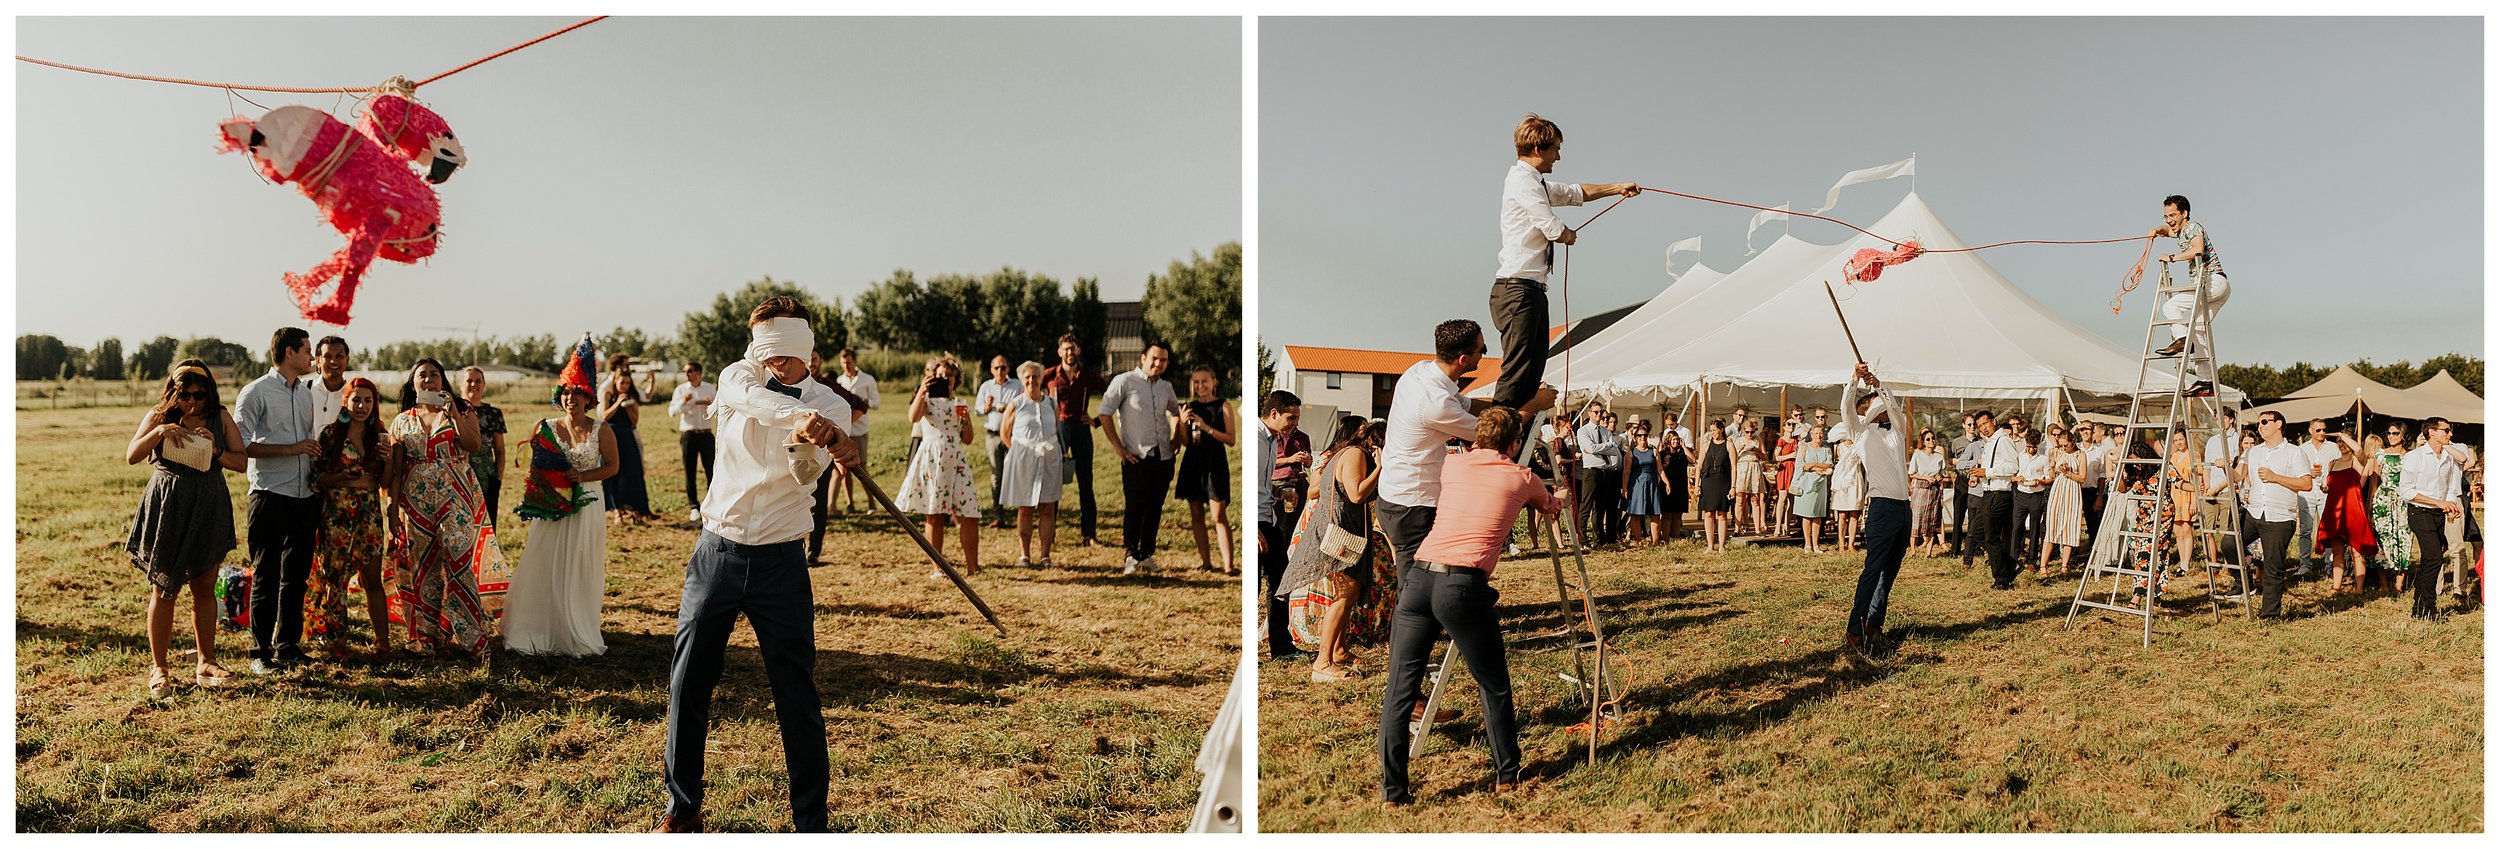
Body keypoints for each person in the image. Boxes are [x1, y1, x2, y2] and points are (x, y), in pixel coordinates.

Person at [658, 297, 860, 833]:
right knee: (688, 682)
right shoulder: (734, 379)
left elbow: (804, 473)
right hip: (716, 554)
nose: (773, 364)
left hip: (781, 564)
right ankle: (682, 811)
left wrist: (822, 440)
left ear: (808, 353)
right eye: (764, 352)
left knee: (796, 694)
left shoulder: (832, 406)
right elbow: (755, 401)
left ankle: (810, 823)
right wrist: (805, 421)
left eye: (784, 356)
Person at [1377, 406, 1562, 805]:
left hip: (1419, 579)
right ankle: (1506, 774)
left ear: (1477, 438)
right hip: (1461, 584)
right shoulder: (1522, 476)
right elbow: (1547, 505)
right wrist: (1556, 497)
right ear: (1515, 444)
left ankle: (1393, 792)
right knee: (1492, 684)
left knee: (1400, 692)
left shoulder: (1453, 466)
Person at [1490, 114, 1640, 411]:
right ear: (1537, 150)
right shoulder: (1523, 182)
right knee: (1517, 374)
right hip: (1517, 290)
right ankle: (1492, 440)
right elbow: (1551, 227)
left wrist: (1617, 187)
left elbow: (1575, 192)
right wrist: (1567, 234)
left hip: (1529, 290)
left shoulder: (1535, 182)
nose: (1558, 156)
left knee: (1531, 374)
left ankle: (1509, 441)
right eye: (1555, 149)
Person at [125, 363, 247, 697]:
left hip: (208, 504)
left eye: (199, 394)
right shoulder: (159, 415)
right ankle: (159, 668)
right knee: (164, 589)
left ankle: (206, 662)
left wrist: (216, 449)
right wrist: (159, 433)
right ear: (173, 392)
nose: (192, 402)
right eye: (185, 395)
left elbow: (242, 463)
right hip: (169, 505)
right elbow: (132, 455)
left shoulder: (220, 418)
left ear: (209, 392)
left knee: (204, 588)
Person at [503, 374, 621, 657]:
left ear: (588, 398)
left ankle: (576, 626)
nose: (572, 399)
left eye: (578, 394)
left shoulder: (601, 429)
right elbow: (538, 468)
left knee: (580, 561)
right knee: (544, 559)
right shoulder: (547, 426)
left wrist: (583, 476)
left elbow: (613, 466)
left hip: (588, 503)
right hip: (553, 503)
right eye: (566, 393)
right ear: (559, 397)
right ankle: (540, 626)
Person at [386, 358, 489, 658]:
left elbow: (474, 445)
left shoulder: (463, 410)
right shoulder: (401, 421)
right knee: (423, 569)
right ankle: (427, 639)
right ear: (413, 383)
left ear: (443, 381)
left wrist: (454, 414)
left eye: (434, 375)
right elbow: (396, 470)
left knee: (459, 563)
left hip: (456, 498)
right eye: (422, 375)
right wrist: (393, 511)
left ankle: (473, 638)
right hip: (416, 503)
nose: (429, 380)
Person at [235, 328, 322, 674]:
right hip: (269, 495)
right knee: (267, 575)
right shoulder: (255, 392)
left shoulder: (305, 394)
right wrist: (292, 449)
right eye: (307, 351)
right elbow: (242, 445)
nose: (312, 357)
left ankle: (288, 646)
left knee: (296, 577)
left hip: (304, 496)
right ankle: (260, 653)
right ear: (289, 353)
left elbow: (307, 440)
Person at [1277, 414, 1382, 682]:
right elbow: (1357, 494)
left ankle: (1339, 650)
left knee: (1348, 591)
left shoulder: (1340, 453)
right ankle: (1323, 662)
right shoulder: (1355, 454)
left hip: (1340, 527)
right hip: (1343, 530)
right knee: (1344, 594)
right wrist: (1380, 468)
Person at [307, 377, 392, 657]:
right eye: (356, 399)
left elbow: (385, 482)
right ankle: (337, 641)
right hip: (337, 517)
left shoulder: (379, 434)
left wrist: (388, 459)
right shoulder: (331, 435)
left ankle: (382, 642)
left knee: (372, 580)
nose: (362, 406)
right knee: (337, 579)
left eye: (368, 400)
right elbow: (316, 479)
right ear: (346, 402)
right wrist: (345, 477)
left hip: (369, 517)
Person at [1840, 364, 1909, 656]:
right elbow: (1846, 406)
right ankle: (1855, 629)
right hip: (1881, 507)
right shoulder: (1861, 432)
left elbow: (1894, 406)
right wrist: (1855, 379)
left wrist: (1879, 384)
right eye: (1872, 404)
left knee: (1890, 570)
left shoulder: (1898, 430)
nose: (1879, 407)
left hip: (1904, 509)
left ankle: (1874, 623)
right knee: (1873, 569)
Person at [1098, 342, 1183, 575]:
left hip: (1163, 457)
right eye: (1155, 358)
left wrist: (1176, 439)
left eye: (1163, 360)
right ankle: (1130, 555)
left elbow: (1176, 413)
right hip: (1136, 456)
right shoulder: (1124, 381)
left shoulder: (1166, 387)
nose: (1158, 364)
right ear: (1143, 357)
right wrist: (1119, 449)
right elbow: (1104, 413)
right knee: (1135, 507)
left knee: (1155, 507)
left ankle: (1147, 554)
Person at [897, 356, 983, 578]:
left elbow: (969, 438)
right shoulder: (926, 402)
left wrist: (965, 420)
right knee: (934, 513)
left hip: (956, 458)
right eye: (940, 375)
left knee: (970, 511)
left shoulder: (960, 404)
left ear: (956, 380)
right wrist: (922, 391)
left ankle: (973, 566)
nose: (944, 379)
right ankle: (938, 568)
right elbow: (912, 417)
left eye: (949, 376)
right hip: (932, 456)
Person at [2237, 411, 2315, 619]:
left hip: (2279, 516)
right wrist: (2224, 467)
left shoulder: (2294, 452)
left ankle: (2269, 614)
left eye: (2264, 422)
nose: (2260, 426)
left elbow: (2306, 483)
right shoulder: (2253, 452)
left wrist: (2275, 477)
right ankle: (2242, 583)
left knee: (2273, 565)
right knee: (2229, 544)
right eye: (2258, 423)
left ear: (2278, 424)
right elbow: (2238, 475)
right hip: (2254, 511)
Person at [2149, 194, 2228, 398]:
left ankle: (2183, 339)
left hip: (2211, 281)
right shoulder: (2182, 230)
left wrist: (2172, 257)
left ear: (2184, 214)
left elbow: (2197, 249)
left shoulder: (2193, 227)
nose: (2169, 220)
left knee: (2170, 306)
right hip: (2218, 286)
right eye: (2166, 216)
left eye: (2173, 215)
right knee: (2200, 328)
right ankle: (2205, 381)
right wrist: (2158, 231)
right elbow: (2169, 231)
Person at [993, 361, 1065, 569]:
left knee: (1048, 508)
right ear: (1022, 380)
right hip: (1025, 459)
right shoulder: (1016, 403)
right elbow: (1005, 433)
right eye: (1027, 377)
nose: (1031, 380)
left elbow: (1055, 428)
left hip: (1049, 459)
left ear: (1041, 379)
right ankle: (1024, 554)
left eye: (1035, 377)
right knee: (1025, 508)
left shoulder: (1050, 403)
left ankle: (1045, 555)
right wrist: (1020, 451)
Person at [1042, 335, 1109, 547]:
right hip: (1058, 428)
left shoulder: (1088, 375)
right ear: (1059, 352)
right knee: (1054, 482)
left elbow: (1114, 394)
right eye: (1066, 349)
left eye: (1073, 349)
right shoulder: (1050, 374)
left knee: (1085, 482)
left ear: (1077, 351)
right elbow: (1028, 389)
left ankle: (1089, 534)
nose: (1070, 353)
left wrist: (1097, 420)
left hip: (1081, 427)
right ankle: (1049, 534)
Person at [2397, 417, 2467, 621]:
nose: (2450, 434)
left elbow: (2452, 488)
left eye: (2450, 430)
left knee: (2431, 560)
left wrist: (2450, 505)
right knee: (2435, 557)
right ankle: (2429, 609)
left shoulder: (2448, 457)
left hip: (2438, 514)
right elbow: (2406, 491)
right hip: (2419, 512)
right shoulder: (2415, 456)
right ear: (2431, 432)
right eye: (2446, 430)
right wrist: (2438, 502)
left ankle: (2419, 609)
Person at [1256, 391, 1305, 660]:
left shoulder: (1273, 439)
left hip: (1268, 518)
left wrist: (1279, 493)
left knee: (1281, 583)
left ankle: (1281, 647)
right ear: (1274, 414)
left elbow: (1262, 484)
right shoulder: (1256, 438)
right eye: (1291, 417)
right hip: (1257, 522)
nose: (1294, 423)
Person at [1177, 365, 1237, 574]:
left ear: (1213, 381)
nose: (1200, 385)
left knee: (1218, 514)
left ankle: (1229, 565)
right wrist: (1182, 424)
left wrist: (1206, 427)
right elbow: (1185, 442)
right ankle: (1206, 562)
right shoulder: (1189, 407)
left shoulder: (1224, 406)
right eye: (1196, 382)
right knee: (1196, 512)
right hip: (1193, 462)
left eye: (1204, 381)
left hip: (1215, 462)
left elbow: (1231, 440)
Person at [2319, 427, 2378, 593]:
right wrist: (2324, 488)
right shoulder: (2332, 463)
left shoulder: (2358, 461)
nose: (2342, 444)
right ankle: (2336, 586)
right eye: (2339, 441)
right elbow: (2331, 487)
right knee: (2337, 550)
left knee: (2356, 551)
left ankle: (2359, 588)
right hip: (2335, 509)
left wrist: (2340, 434)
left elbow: (2359, 449)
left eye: (2345, 440)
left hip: (2353, 509)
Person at [600, 354, 657, 524]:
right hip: (611, 435)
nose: (624, 386)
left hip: (627, 435)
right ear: (615, 381)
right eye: (622, 383)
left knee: (633, 472)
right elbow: (603, 416)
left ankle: (636, 509)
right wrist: (618, 403)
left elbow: (635, 420)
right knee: (613, 473)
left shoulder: (631, 397)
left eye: (627, 383)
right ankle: (616, 509)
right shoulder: (607, 394)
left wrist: (630, 406)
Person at [974, 355, 1022, 530]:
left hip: (1013, 435)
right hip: (993, 435)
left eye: (1003, 367)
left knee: (1016, 474)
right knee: (996, 476)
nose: (1000, 371)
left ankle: (1020, 514)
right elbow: (977, 410)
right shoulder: (986, 387)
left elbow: (1024, 403)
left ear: (1008, 369)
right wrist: (986, 408)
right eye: (996, 368)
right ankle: (998, 515)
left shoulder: (1017, 385)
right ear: (991, 370)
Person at [830, 348, 879, 514]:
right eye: (843, 363)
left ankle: (872, 502)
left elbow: (876, 402)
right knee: (844, 469)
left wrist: (859, 402)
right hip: (844, 430)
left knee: (862, 467)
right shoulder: (839, 381)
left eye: (849, 362)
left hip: (860, 429)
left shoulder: (867, 379)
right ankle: (850, 503)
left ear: (855, 361)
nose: (846, 365)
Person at [458, 366, 509, 528]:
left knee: (487, 529)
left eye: (478, 381)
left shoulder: (493, 414)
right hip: (459, 480)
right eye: (469, 381)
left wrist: (497, 479)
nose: (474, 384)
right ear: (461, 385)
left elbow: (500, 451)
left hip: (487, 481)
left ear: (484, 385)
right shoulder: (452, 411)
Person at [669, 361, 719, 524]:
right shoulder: (681, 390)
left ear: (698, 372)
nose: (687, 375)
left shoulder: (709, 388)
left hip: (706, 433)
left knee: (711, 469)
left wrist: (711, 404)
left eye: (690, 371)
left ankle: (713, 504)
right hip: (689, 433)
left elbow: (720, 408)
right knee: (689, 471)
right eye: (685, 372)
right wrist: (683, 401)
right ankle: (694, 507)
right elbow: (671, 412)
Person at [2369, 424, 2415, 591]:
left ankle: (2399, 584)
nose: (2391, 436)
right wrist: (2370, 502)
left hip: (2403, 500)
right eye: (2389, 433)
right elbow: (2374, 480)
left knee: (2403, 539)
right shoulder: (2380, 454)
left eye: (2395, 433)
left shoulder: (2411, 456)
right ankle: (2383, 584)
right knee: (2382, 537)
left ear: (2403, 435)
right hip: (2383, 499)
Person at [1576, 403, 1624, 547]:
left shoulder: (1605, 431)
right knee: (1586, 505)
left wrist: (1600, 449)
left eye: (1600, 412)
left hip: (1605, 470)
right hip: (1591, 471)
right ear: (1589, 413)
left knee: (1600, 507)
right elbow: (1590, 448)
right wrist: (1606, 447)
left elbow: (1614, 450)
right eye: (1596, 412)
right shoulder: (1583, 431)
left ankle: (1599, 538)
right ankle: (1582, 538)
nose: (1599, 415)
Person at [2041, 429, 2086, 576]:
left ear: (2073, 442)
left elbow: (2082, 478)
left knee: (2069, 526)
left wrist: (2068, 473)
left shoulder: (2081, 454)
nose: (2063, 448)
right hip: (2058, 490)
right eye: (2061, 445)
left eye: (2065, 445)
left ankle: (2064, 565)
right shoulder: (2057, 453)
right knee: (2052, 525)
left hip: (2072, 491)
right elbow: (2052, 475)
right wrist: (2054, 467)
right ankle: (2043, 565)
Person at [2010, 429, 2051, 573]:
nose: (2032, 450)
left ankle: (2032, 559)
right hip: (2021, 494)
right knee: (2016, 528)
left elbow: (2048, 478)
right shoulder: (2018, 456)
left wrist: (2040, 481)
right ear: (2025, 443)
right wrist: (2017, 479)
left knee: (2034, 529)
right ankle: (2013, 558)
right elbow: (2011, 475)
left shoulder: (2043, 458)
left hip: (2036, 495)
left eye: (2035, 447)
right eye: (2030, 446)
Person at [1697, 419, 1736, 554]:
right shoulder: (1706, 445)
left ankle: (1722, 545)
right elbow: (1699, 466)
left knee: (1722, 514)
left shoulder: (1729, 444)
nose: (1712, 433)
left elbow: (1734, 467)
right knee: (1708, 513)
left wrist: (1733, 487)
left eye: (1715, 430)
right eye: (1711, 430)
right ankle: (1710, 545)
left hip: (1723, 481)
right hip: (1708, 481)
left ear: (1721, 429)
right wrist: (1697, 484)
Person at [1952, 413, 1986, 564]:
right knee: (1960, 517)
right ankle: (1956, 549)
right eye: (1970, 424)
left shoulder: (1983, 442)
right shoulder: (1958, 442)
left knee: (1976, 521)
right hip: (1963, 480)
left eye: (1974, 425)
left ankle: (1976, 549)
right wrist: (1975, 463)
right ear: (1964, 425)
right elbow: (1954, 461)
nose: (1972, 427)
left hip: (1981, 484)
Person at [1620, 430, 1665, 545]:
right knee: (1635, 513)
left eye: (1645, 435)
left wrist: (1667, 483)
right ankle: (1639, 541)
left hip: (1652, 484)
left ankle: (1655, 542)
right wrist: (1625, 488)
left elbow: (1660, 470)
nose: (1642, 437)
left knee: (1655, 514)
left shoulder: (1654, 451)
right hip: (1637, 485)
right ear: (1635, 438)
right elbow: (1626, 472)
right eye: (1639, 435)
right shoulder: (1631, 453)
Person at [1909, 430, 1948, 557]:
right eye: (1928, 439)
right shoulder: (1918, 454)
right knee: (1916, 520)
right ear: (1923, 442)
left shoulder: (1939, 457)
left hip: (1934, 491)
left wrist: (1939, 477)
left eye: (1932, 438)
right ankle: (1913, 550)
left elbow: (1944, 473)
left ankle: (1928, 553)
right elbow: (1911, 473)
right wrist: (1925, 478)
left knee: (1932, 522)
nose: (1931, 441)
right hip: (1921, 490)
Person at [307, 335, 352, 443]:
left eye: (339, 356)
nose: (333, 361)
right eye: (327, 356)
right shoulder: (304, 389)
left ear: (347, 360)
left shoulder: (353, 396)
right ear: (318, 360)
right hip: (303, 458)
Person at [1829, 423, 1866, 554]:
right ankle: (1841, 543)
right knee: (1842, 515)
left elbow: (1862, 466)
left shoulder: (1859, 447)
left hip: (1855, 480)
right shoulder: (1839, 447)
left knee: (1854, 514)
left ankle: (1851, 543)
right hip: (1843, 482)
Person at [1658, 429, 1692, 544]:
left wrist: (1684, 446)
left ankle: (1675, 538)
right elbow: (1659, 469)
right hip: (1668, 486)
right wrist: (1665, 463)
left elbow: (1693, 459)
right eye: (1674, 439)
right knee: (1667, 514)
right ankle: (1666, 538)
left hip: (1680, 486)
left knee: (1678, 515)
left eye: (1677, 439)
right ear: (1668, 441)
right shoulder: (1663, 454)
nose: (1676, 441)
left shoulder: (1682, 453)